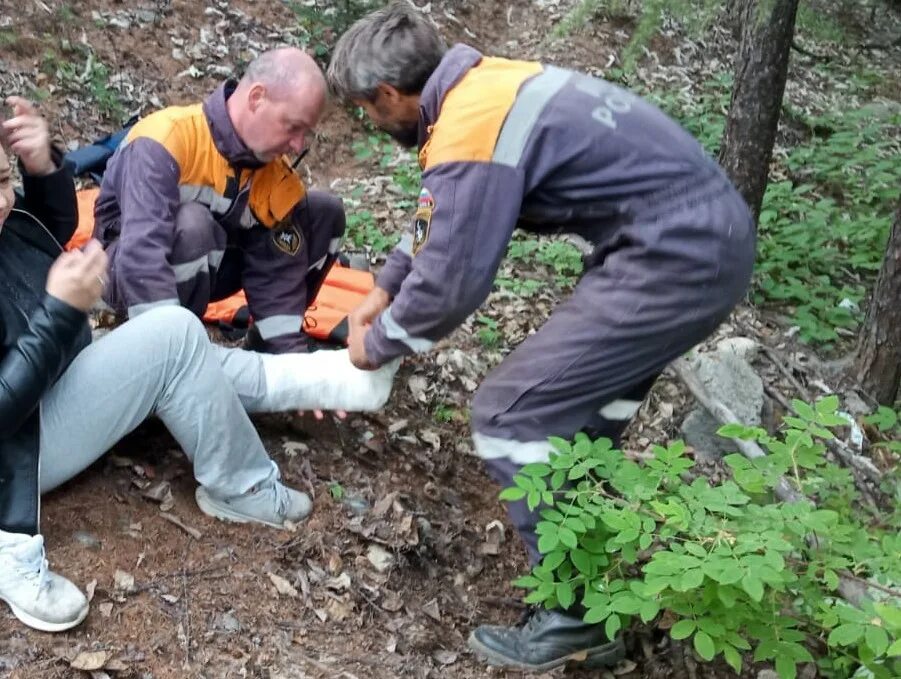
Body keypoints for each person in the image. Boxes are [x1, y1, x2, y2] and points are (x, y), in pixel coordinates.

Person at [327, 3, 756, 671]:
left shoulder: (470, 124)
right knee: (587, 425)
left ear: (387, 94)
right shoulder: (483, 88)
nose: (373, 124)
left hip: (674, 256)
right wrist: (382, 286)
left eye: (368, 112)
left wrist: (377, 342)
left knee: (508, 412)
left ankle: (572, 616)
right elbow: (434, 216)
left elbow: (452, 283)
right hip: (692, 244)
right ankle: (604, 590)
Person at [0, 97, 398, 633]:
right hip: (20, 450)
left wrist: (41, 168)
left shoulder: (8, 215)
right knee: (173, 336)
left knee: (179, 350)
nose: (2, 202)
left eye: (3, 179)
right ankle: (244, 486)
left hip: (56, 380)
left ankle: (324, 382)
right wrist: (58, 311)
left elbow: (39, 224)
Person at [94, 47, 345, 353]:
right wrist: (168, 353)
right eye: (293, 127)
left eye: (305, 133)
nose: (297, 145)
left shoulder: (271, 173)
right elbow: (141, 255)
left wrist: (292, 368)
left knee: (322, 213)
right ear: (256, 98)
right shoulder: (164, 141)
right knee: (193, 225)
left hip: (210, 268)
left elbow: (277, 272)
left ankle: (264, 349)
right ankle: (164, 351)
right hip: (121, 272)